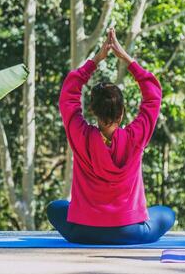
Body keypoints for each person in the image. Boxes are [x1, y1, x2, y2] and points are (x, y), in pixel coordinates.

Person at [48, 27, 177, 245]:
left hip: (83, 231)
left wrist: (96, 60)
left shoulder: (80, 136)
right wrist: (126, 58)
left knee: (55, 208)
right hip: (130, 232)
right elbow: (153, 96)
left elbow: (68, 94)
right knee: (167, 213)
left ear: (93, 111)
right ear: (123, 111)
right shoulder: (136, 138)